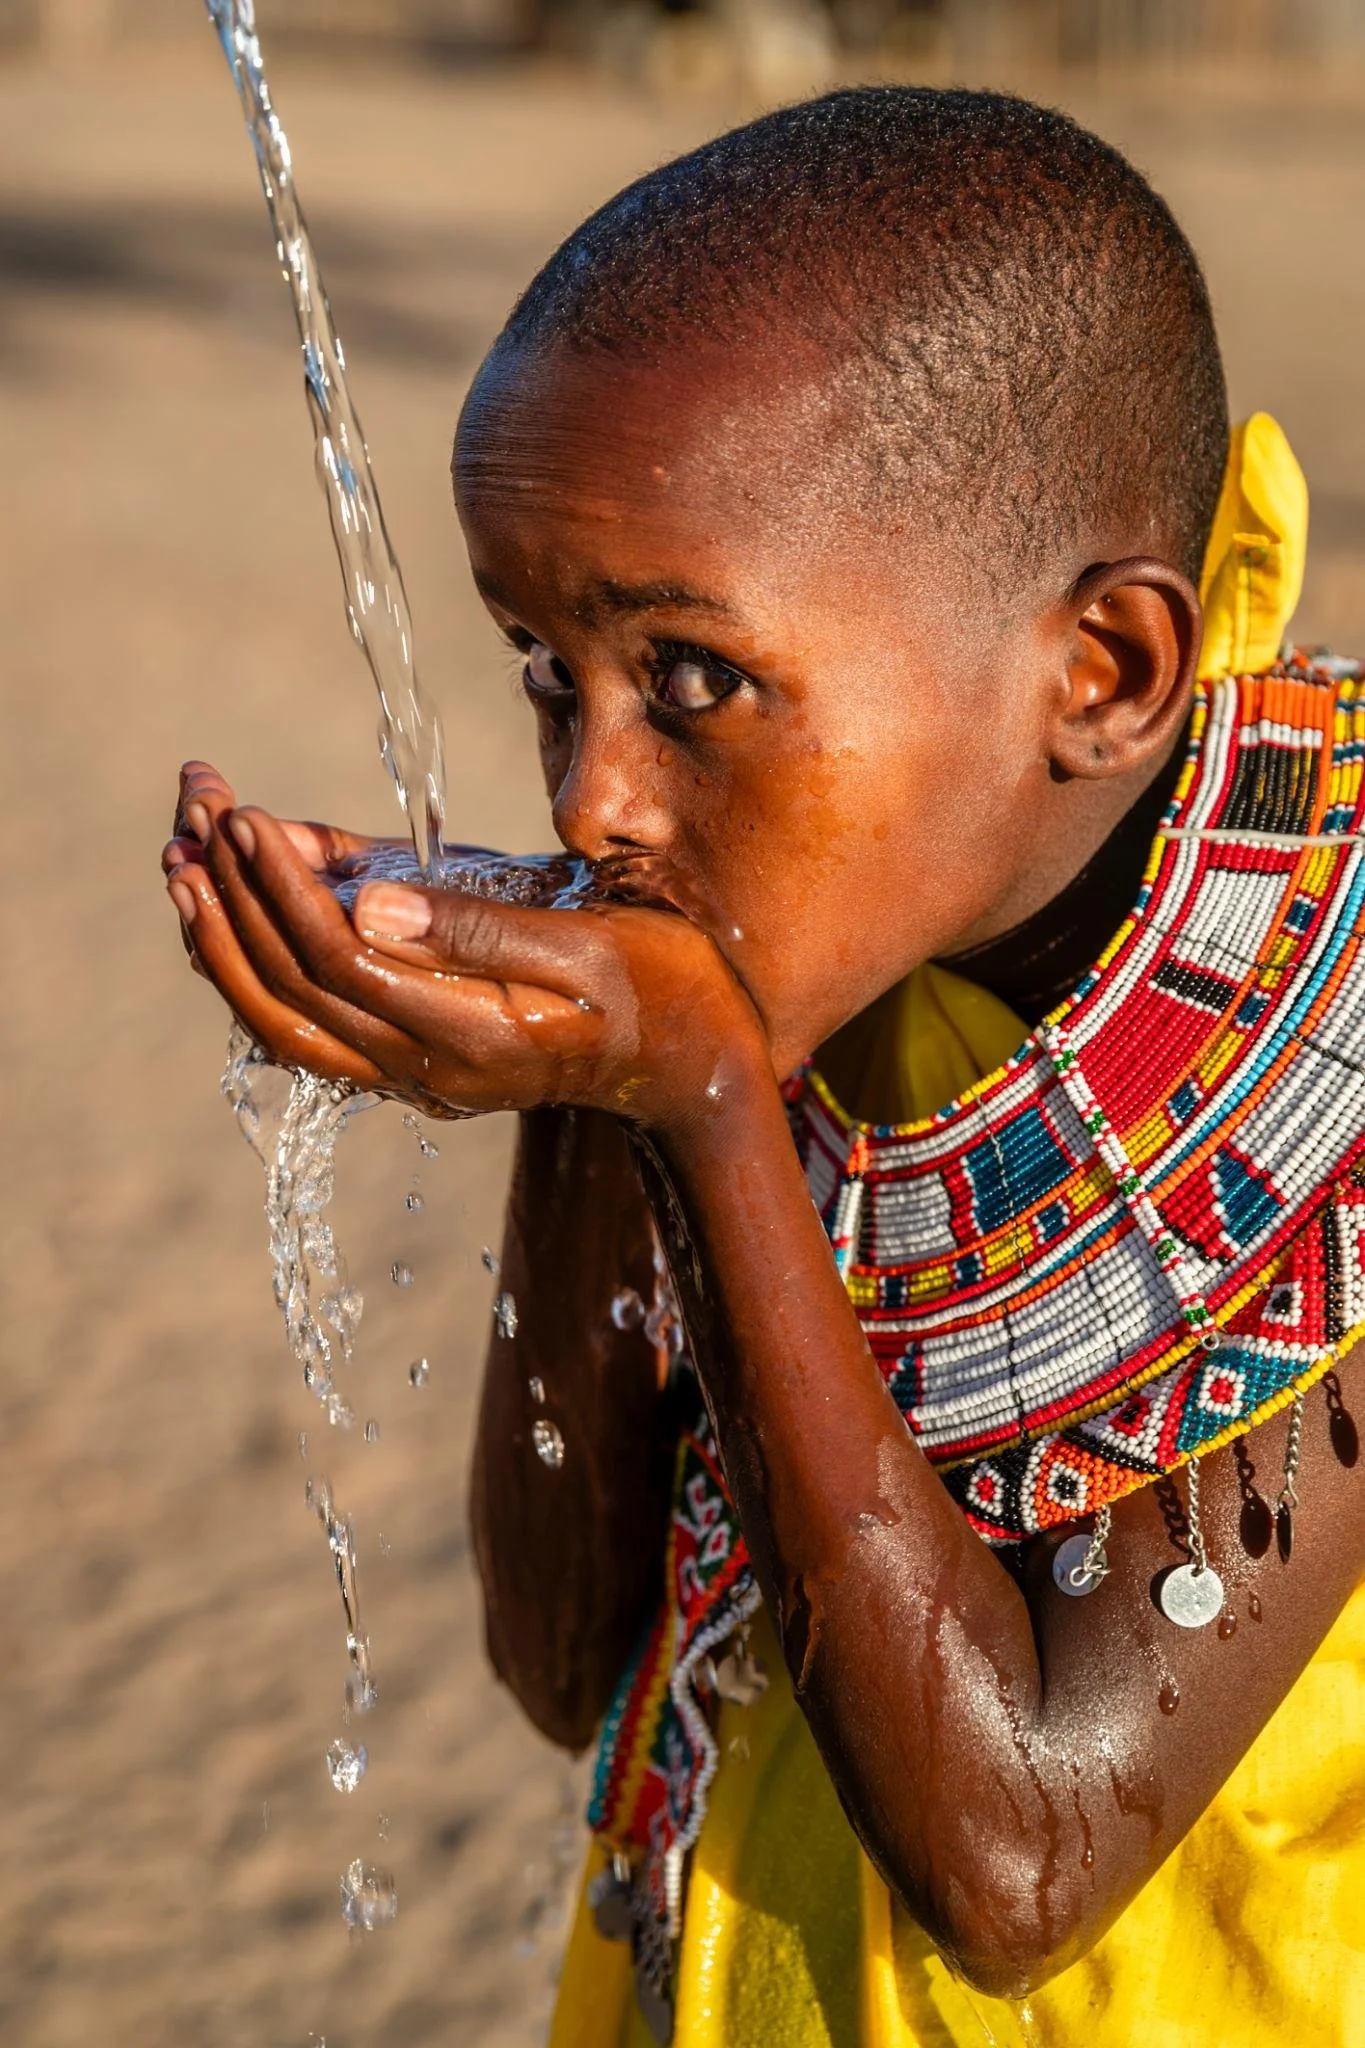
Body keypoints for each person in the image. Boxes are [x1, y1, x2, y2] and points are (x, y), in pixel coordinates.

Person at [161, 89, 1365, 2048]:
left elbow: (1023, 1862)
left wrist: (698, 1096)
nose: (592, 800)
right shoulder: (801, 945)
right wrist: (584, 1067)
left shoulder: (1331, 1036)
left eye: (694, 680)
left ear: (1103, 673)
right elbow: (570, 1661)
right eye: (546, 668)